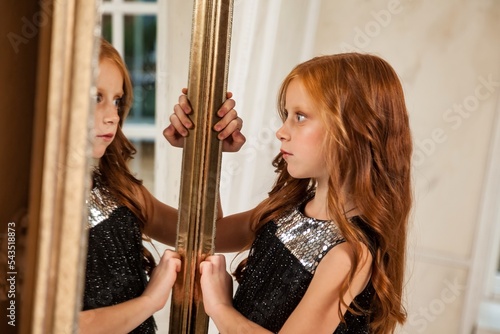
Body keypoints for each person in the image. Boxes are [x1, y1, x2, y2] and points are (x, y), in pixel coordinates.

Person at [174, 53, 413, 333]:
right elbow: (207, 233)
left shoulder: (349, 254)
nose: (281, 132)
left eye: (299, 117)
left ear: (353, 129)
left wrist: (219, 308)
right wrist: (207, 152)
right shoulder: (288, 211)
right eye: (286, 115)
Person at [80, 38, 245, 333]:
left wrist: (204, 150)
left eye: (117, 100)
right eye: (96, 97)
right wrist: (151, 301)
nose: (112, 116)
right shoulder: (22, 205)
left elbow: (207, 235)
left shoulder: (118, 190)